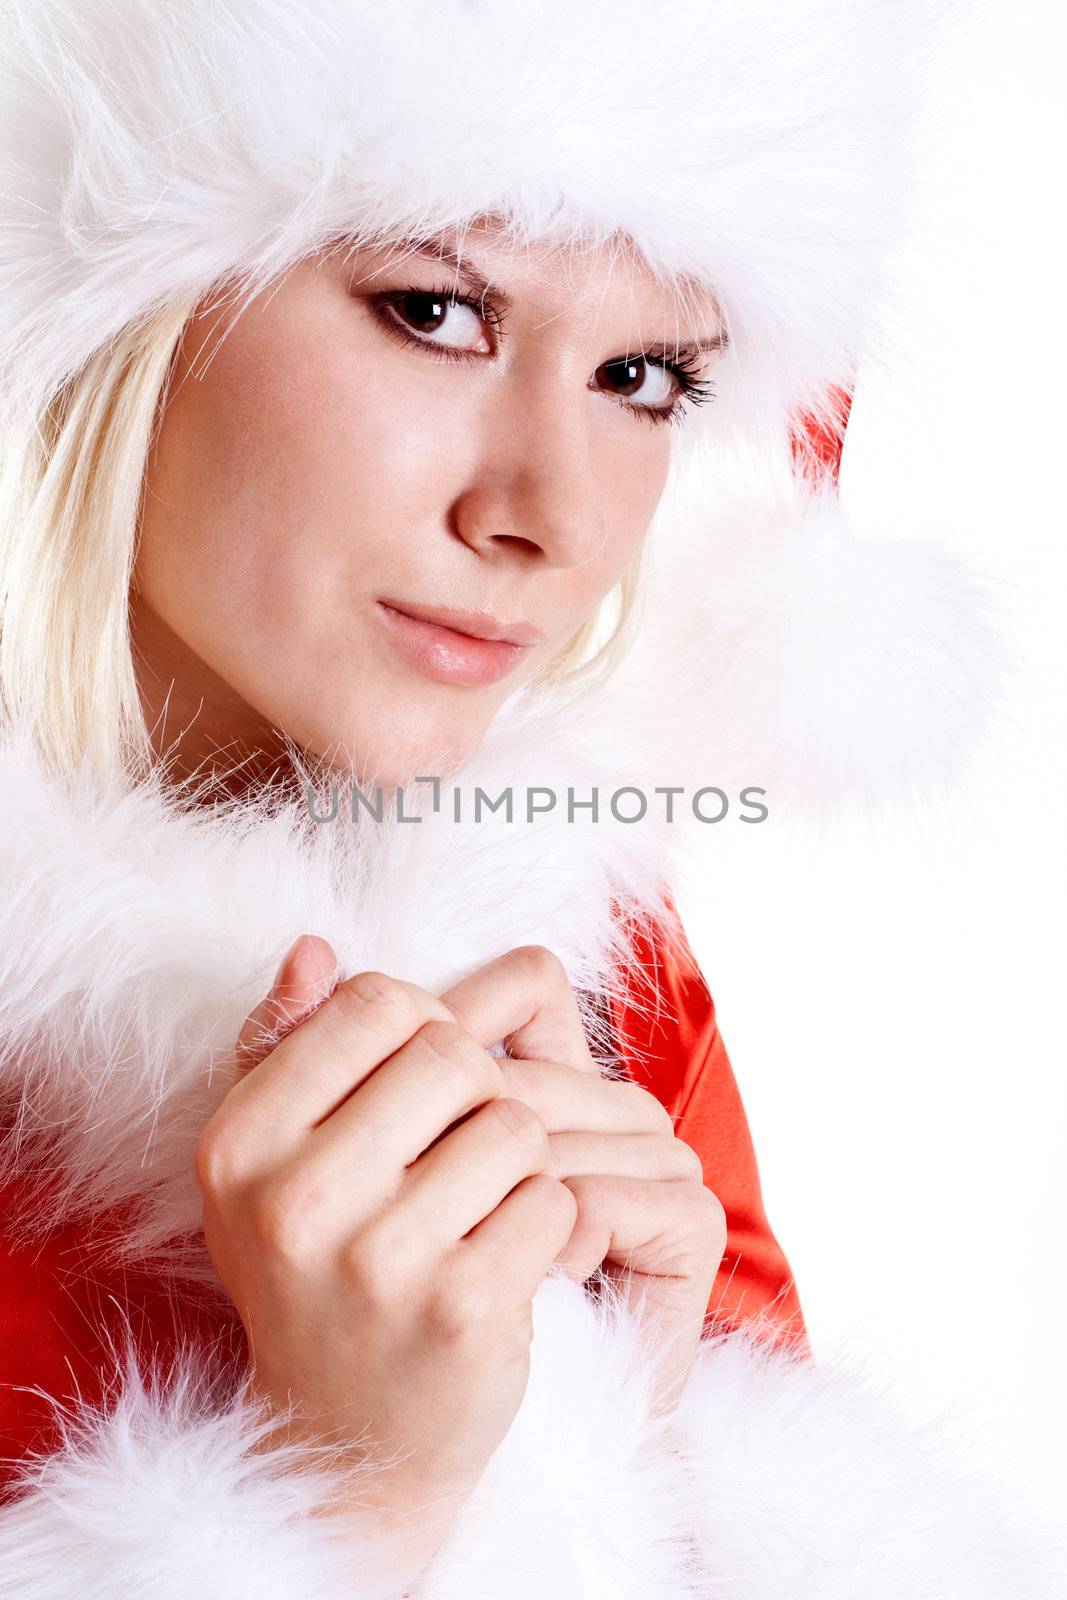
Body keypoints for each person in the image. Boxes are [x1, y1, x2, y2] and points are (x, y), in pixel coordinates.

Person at [0, 2, 1059, 1596]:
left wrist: (630, 1430)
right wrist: (351, 1503)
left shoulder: (578, 970)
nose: (552, 517)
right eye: (434, 308)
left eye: (641, 372)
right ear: (103, 295)